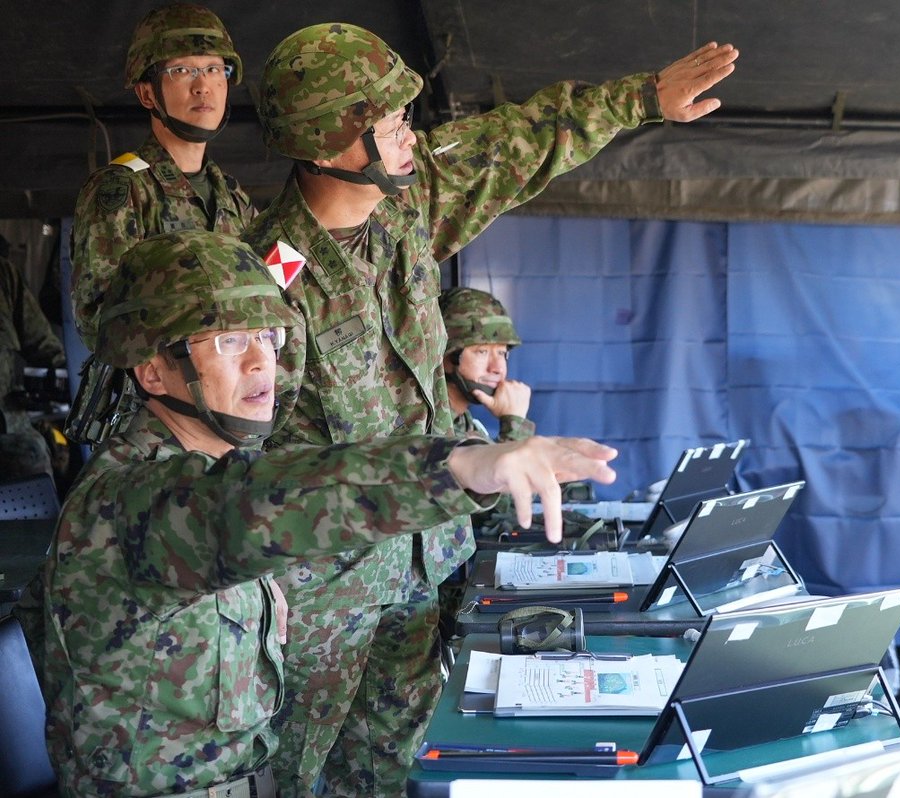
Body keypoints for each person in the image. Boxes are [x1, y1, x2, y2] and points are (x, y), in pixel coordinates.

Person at [242, 22, 736, 796]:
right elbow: (245, 469)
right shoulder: (265, 281)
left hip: (420, 578)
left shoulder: (405, 209)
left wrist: (640, 99)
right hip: (322, 601)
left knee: (390, 772)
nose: (410, 135)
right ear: (328, 139)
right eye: (391, 123)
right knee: (295, 778)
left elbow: (515, 142)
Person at [39, 229, 617, 797]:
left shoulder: (201, 468)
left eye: (268, 336)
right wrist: (460, 466)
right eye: (228, 342)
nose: (262, 362)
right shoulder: (131, 496)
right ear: (152, 371)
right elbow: (259, 500)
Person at [66, 3, 257, 444]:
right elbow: (99, 320)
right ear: (147, 94)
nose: (202, 85)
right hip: (155, 420)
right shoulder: (123, 188)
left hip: (228, 411)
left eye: (214, 69)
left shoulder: (232, 195)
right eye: (181, 71)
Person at [0, 243, 66, 481]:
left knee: (39, 458)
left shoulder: (4, 275)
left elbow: (42, 343)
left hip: (11, 431)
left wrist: (75, 382)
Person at [440, 286, 532, 442]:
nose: (497, 368)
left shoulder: (463, 423)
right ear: (446, 357)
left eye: (501, 353)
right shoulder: (424, 425)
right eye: (482, 352)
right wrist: (514, 426)